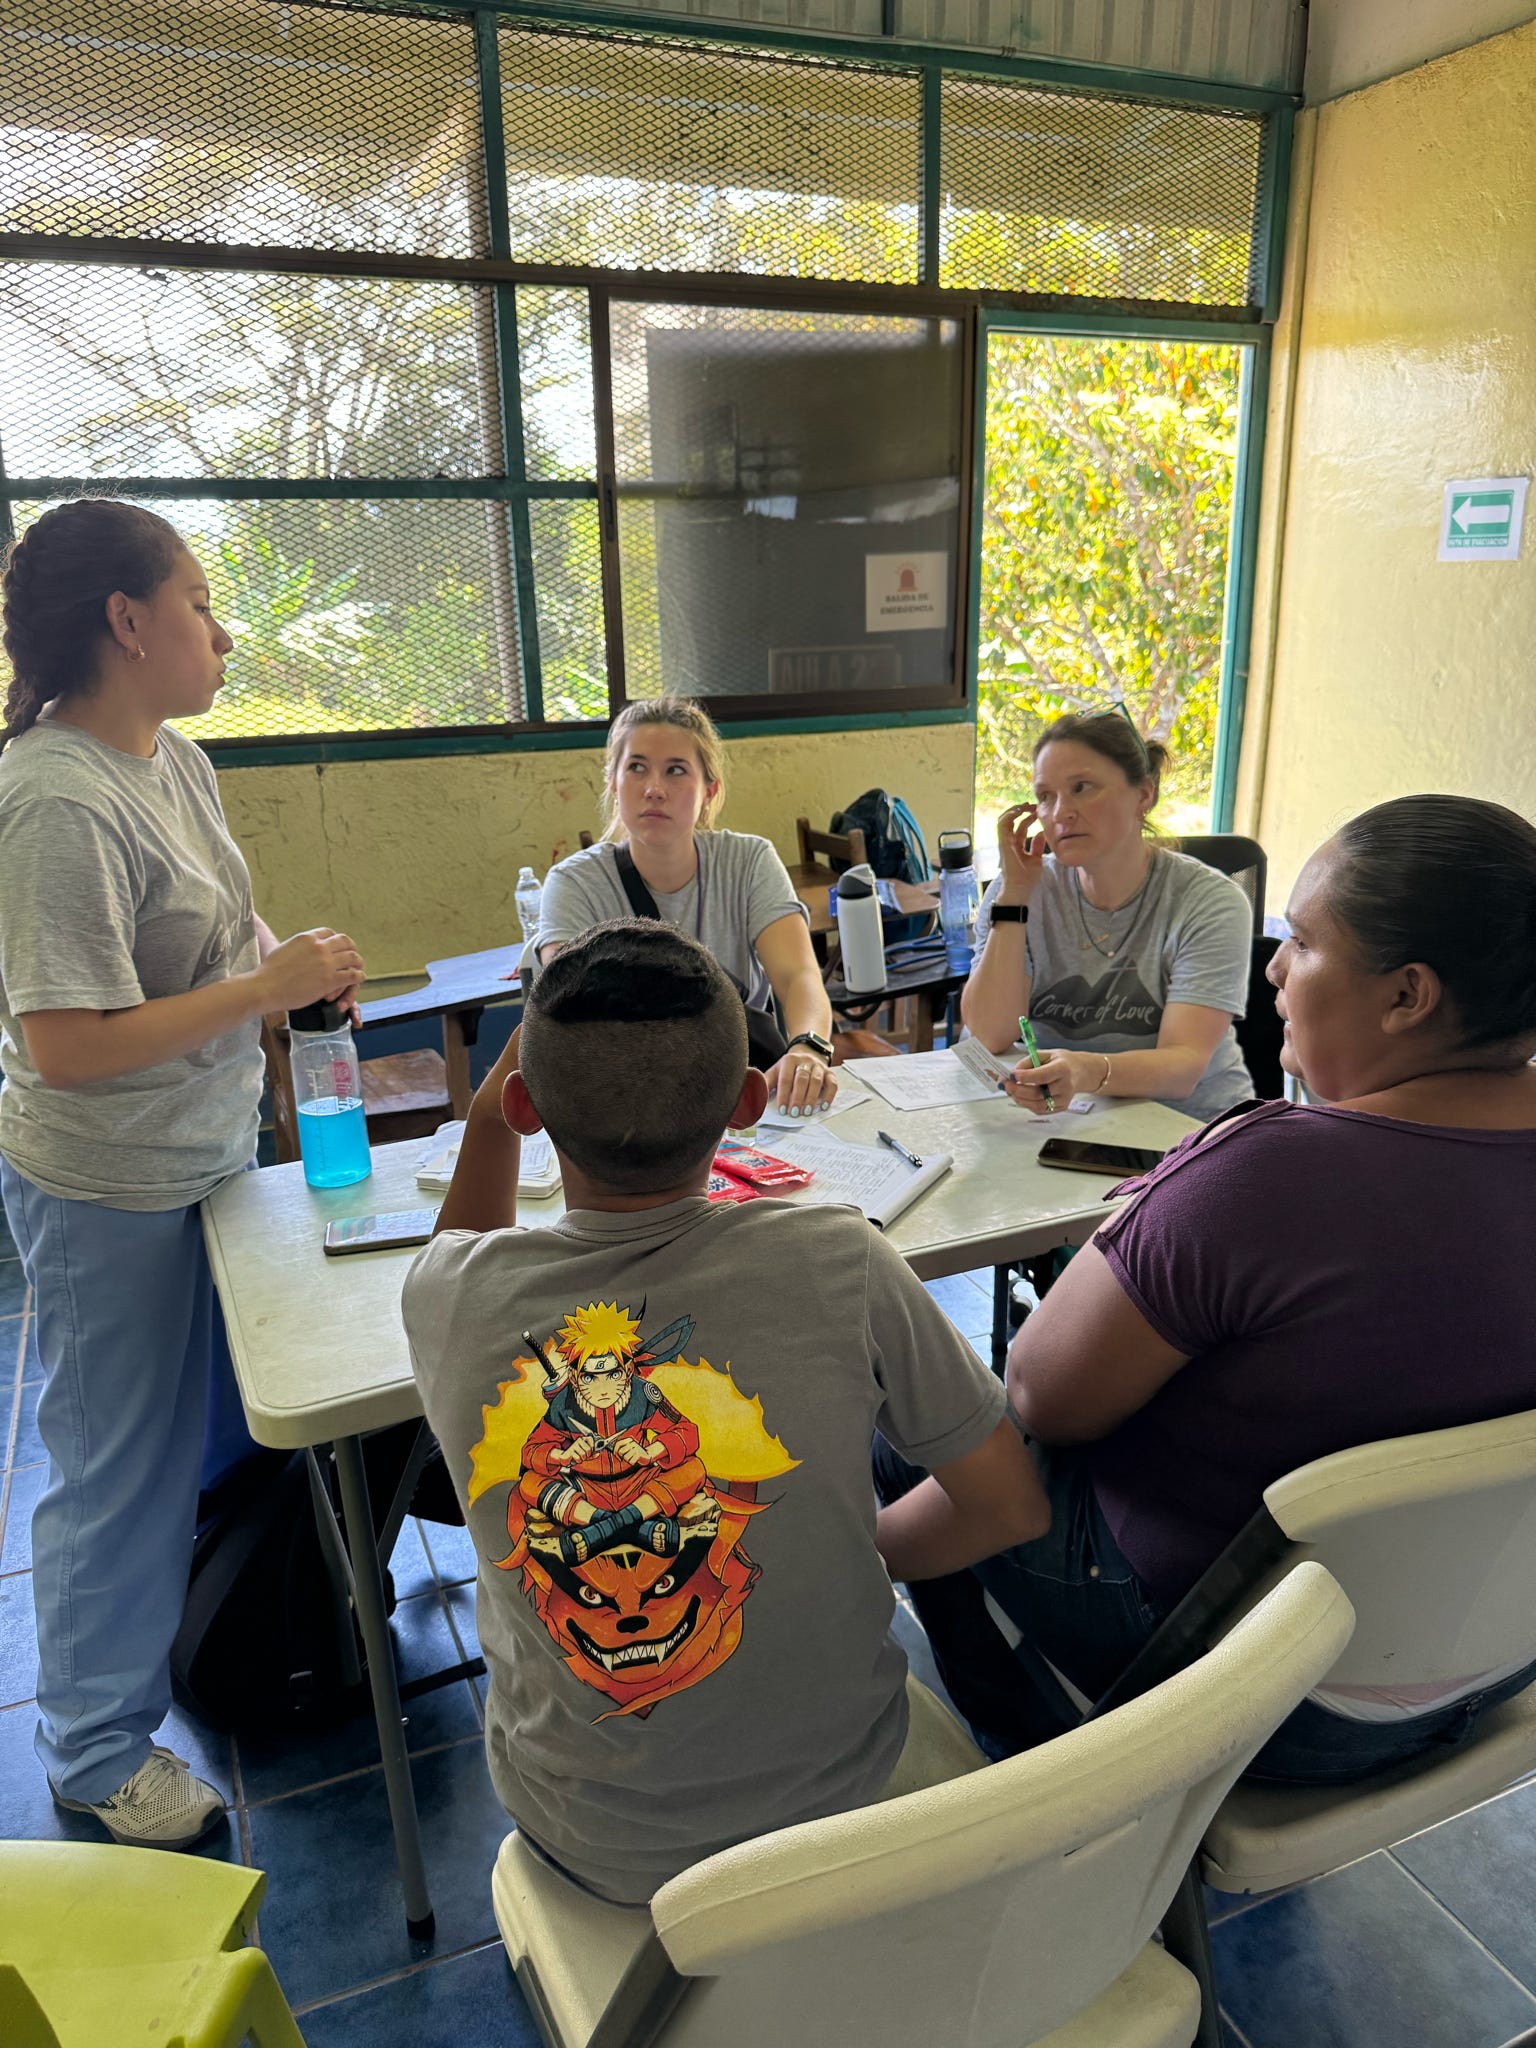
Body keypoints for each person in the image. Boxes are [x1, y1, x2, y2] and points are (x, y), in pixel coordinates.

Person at [883, 793, 1536, 1780]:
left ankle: (1019, 1743)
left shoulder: (1276, 1172)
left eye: (1305, 944)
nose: (1273, 970)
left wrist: (1165, 1200)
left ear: (1409, 996)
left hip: (1240, 1682)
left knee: (911, 1429)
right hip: (1476, 1668)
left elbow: (1040, 1394)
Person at [402, 918, 1044, 1903]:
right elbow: (1012, 1505)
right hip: (846, 1805)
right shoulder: (844, 1260)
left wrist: (491, 1118)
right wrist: (854, 1547)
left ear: (527, 1104)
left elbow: (461, 1252)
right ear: (747, 1103)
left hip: (598, 1845)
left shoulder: (451, 1297)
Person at [0, 499, 365, 1847]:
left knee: (217, 1431)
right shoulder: (49, 800)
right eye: (201, 603)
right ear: (126, 622)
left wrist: (292, 981)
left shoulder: (171, 762)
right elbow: (67, 1045)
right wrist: (254, 991)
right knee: (116, 1462)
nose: (222, 631)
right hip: (112, 1187)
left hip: (210, 1152)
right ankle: (94, 1748)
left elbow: (229, 918)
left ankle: (219, 1623)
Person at [534, 695, 839, 1118]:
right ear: (613, 782)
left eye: (676, 770)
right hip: (626, 1099)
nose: (654, 789)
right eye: (636, 767)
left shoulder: (749, 861)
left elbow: (797, 975)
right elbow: (568, 1008)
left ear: (708, 791)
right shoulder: (574, 883)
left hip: (742, 1088)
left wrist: (808, 1046)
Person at [962, 710, 1254, 1119]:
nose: (1060, 812)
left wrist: (1085, 1070)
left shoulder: (1208, 901)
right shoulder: (1019, 890)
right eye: (1045, 796)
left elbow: (1183, 1066)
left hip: (1187, 1129)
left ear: (1143, 795)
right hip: (1066, 1122)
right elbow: (990, 1035)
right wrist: (1013, 895)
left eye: (1082, 788)